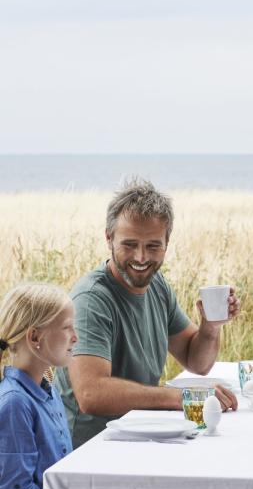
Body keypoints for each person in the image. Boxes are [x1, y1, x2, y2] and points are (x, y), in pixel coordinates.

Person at [54, 179, 241, 447]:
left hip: (142, 435)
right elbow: (90, 394)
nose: (141, 258)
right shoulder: (92, 300)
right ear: (109, 238)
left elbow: (197, 361)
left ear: (167, 243)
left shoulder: (157, 285)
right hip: (94, 451)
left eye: (153, 246)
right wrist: (181, 397)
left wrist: (210, 327)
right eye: (129, 244)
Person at [0, 282, 77, 489]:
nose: (75, 337)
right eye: (67, 327)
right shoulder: (15, 403)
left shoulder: (48, 390)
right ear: (34, 338)